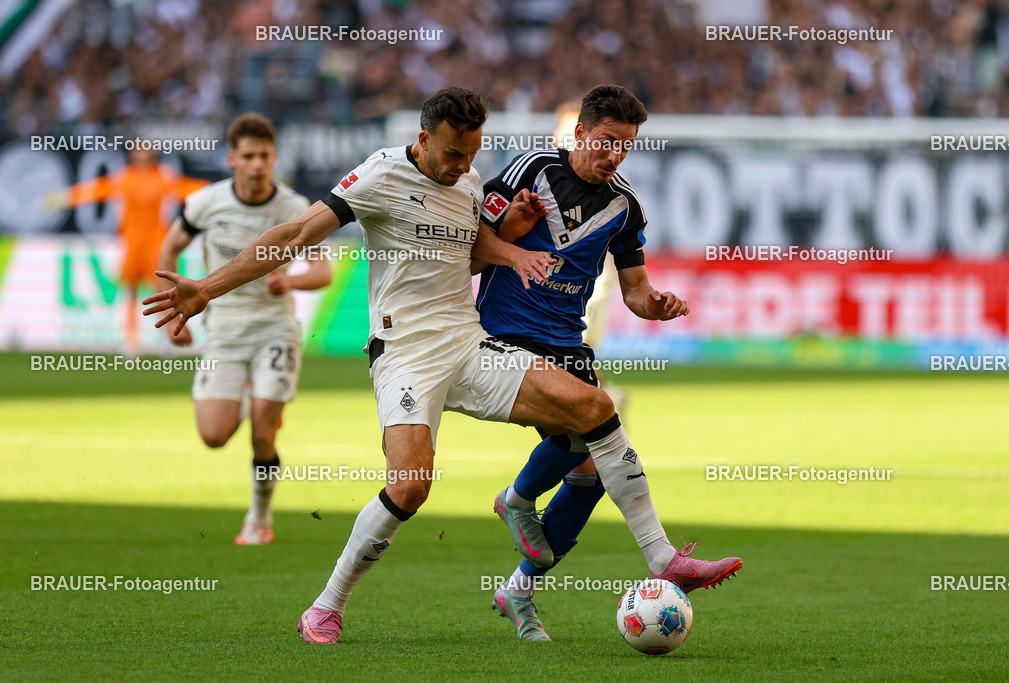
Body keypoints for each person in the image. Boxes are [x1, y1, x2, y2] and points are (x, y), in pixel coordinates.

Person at [142, 87, 738, 645]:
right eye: (453, 153)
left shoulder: (473, 180)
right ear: (424, 139)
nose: (461, 166)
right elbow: (294, 232)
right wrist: (207, 289)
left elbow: (472, 250)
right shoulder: (379, 175)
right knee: (411, 485)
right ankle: (327, 604)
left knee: (595, 406)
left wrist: (513, 238)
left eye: (471, 154)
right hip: (403, 353)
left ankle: (663, 557)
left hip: (469, 342)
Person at [473, 85, 742, 641]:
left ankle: (519, 587)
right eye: (606, 141)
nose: (615, 154)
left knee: (592, 474)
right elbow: (471, 246)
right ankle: (537, 507)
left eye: (626, 145)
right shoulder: (529, 170)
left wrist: (657, 306)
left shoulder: (626, 207)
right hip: (507, 333)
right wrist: (511, 236)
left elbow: (636, 291)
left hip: (568, 342)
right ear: (580, 133)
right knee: (600, 417)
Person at [156, 113, 332, 545]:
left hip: (274, 328)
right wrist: (174, 313)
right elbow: (170, 247)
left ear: (274, 158)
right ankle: (249, 401)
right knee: (214, 435)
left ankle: (259, 515)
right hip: (222, 330)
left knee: (261, 429)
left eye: (265, 156)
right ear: (232, 158)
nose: (258, 164)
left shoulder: (294, 208)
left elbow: (323, 273)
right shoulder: (205, 202)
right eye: (249, 156)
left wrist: (289, 280)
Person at [59, 146, 208, 351]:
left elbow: (186, 187)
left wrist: (216, 190)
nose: (142, 155)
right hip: (132, 244)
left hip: (156, 244)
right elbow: (98, 190)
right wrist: (67, 197)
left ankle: (168, 336)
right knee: (130, 291)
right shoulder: (125, 177)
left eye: (146, 150)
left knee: (164, 293)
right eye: (138, 150)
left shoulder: (162, 175)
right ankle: (131, 340)